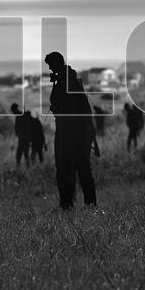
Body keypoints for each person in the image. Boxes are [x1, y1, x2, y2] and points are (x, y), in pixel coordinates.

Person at [45, 52, 98, 209]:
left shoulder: (68, 81)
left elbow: (75, 107)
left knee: (79, 167)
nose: (49, 69)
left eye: (50, 66)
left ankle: (83, 203)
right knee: (66, 168)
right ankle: (69, 203)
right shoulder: (64, 79)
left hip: (73, 131)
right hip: (66, 129)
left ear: (56, 64)